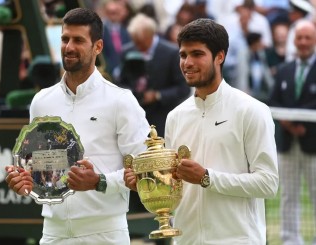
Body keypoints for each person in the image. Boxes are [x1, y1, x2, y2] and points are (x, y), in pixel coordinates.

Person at [124, 18, 279, 244]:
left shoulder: (252, 110)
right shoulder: (176, 116)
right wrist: (146, 182)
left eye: (197, 54)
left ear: (220, 56)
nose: (187, 62)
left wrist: (207, 177)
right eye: (183, 55)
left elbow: (267, 183)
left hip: (236, 239)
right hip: (187, 239)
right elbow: (177, 183)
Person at [5, 8, 150, 245]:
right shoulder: (42, 101)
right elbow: (42, 171)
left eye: (79, 40)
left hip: (104, 234)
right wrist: (24, 182)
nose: (69, 47)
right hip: (53, 232)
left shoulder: (121, 101)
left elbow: (146, 170)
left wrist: (99, 181)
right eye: (65, 39)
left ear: (98, 47)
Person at [268, 19, 316, 245]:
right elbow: (273, 101)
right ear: (294, 41)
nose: (303, 42)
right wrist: (288, 124)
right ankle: (290, 240)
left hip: (312, 145)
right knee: (288, 195)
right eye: (300, 37)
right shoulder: (284, 71)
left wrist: (299, 122)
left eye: (308, 37)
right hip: (287, 144)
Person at [118, 13, 190, 137]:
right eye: (135, 42)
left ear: (150, 35)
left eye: (140, 42)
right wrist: (132, 94)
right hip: (135, 122)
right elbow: (121, 82)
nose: (138, 46)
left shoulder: (172, 53)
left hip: (164, 121)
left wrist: (157, 95)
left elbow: (183, 89)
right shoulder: (128, 51)